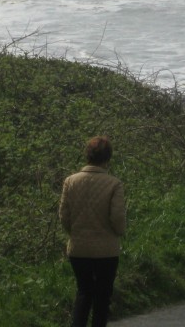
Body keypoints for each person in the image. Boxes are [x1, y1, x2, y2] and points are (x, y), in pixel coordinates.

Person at [59, 136, 127, 327]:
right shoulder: (114, 184)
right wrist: (119, 232)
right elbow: (118, 218)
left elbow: (64, 216)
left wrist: (74, 233)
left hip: (78, 248)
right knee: (103, 296)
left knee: (84, 292)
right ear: (108, 157)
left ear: (87, 155)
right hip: (106, 250)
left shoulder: (70, 181)